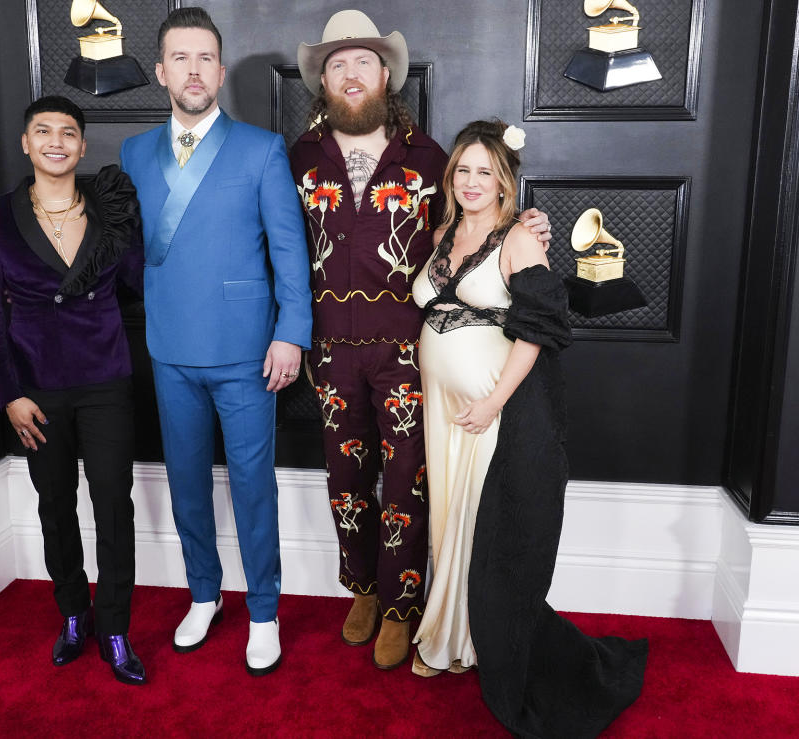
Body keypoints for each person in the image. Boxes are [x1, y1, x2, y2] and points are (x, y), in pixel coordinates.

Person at [290, 9, 552, 669]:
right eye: (337, 64)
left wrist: (529, 222)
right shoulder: (296, 158)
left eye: (363, 62)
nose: (351, 74)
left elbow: (475, 226)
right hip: (329, 345)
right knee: (345, 474)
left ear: (386, 74)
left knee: (408, 475)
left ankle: (405, 601)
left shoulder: (431, 159)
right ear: (324, 80)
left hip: (406, 345)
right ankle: (364, 588)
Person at [411, 119, 648, 736]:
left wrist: (491, 404)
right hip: (442, 408)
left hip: (491, 411)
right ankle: (450, 630)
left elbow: (542, 329)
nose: (470, 181)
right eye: (462, 170)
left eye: (484, 172)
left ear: (504, 180)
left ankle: (462, 642)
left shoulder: (519, 239)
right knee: (449, 521)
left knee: (481, 528)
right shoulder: (442, 234)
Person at [120, 7, 311, 676]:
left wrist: (292, 333)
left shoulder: (261, 149)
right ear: (162, 71)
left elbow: (289, 251)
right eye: (182, 58)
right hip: (170, 347)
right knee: (187, 486)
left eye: (206, 58)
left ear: (220, 71)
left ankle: (263, 609)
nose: (194, 70)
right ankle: (204, 592)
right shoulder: (135, 153)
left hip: (246, 351)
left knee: (254, 487)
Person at [0, 96, 146, 685]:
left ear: (82, 145)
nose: (55, 141)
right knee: (54, 505)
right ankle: (74, 614)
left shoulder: (108, 208)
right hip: (36, 388)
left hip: (106, 377)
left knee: (114, 507)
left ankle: (115, 626)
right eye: (43, 131)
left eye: (68, 132)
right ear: (26, 143)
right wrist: (9, 394)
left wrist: (130, 232)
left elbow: (135, 281)